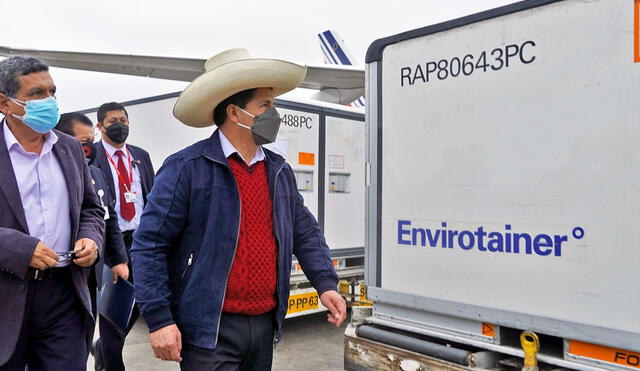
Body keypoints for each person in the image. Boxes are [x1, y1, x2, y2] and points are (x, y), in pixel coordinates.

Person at [130, 48, 347, 370]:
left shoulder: (278, 171)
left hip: (263, 325)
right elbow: (150, 245)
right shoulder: (186, 168)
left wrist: (326, 284)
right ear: (234, 113)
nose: (275, 114)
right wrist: (160, 319)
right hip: (208, 329)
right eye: (266, 106)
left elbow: (305, 233)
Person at [0, 55, 104, 370]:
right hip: (7, 295)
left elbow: (91, 209)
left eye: (52, 91)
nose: (49, 101)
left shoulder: (70, 148)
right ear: (5, 104)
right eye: (36, 94)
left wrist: (90, 237)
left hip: (65, 292)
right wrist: (17, 248)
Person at [90, 102, 154, 370]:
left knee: (140, 301)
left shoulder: (140, 156)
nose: (120, 125)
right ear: (100, 126)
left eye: (124, 120)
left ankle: (102, 348)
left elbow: (152, 195)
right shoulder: (90, 156)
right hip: (109, 242)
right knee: (113, 311)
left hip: (140, 241)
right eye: (113, 120)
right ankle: (111, 363)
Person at [56, 112, 129, 290]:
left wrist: (119, 260)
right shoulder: (54, 173)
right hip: (61, 270)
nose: (89, 147)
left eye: (91, 140)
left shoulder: (95, 173)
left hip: (93, 266)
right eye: (83, 142)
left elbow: (108, 217)